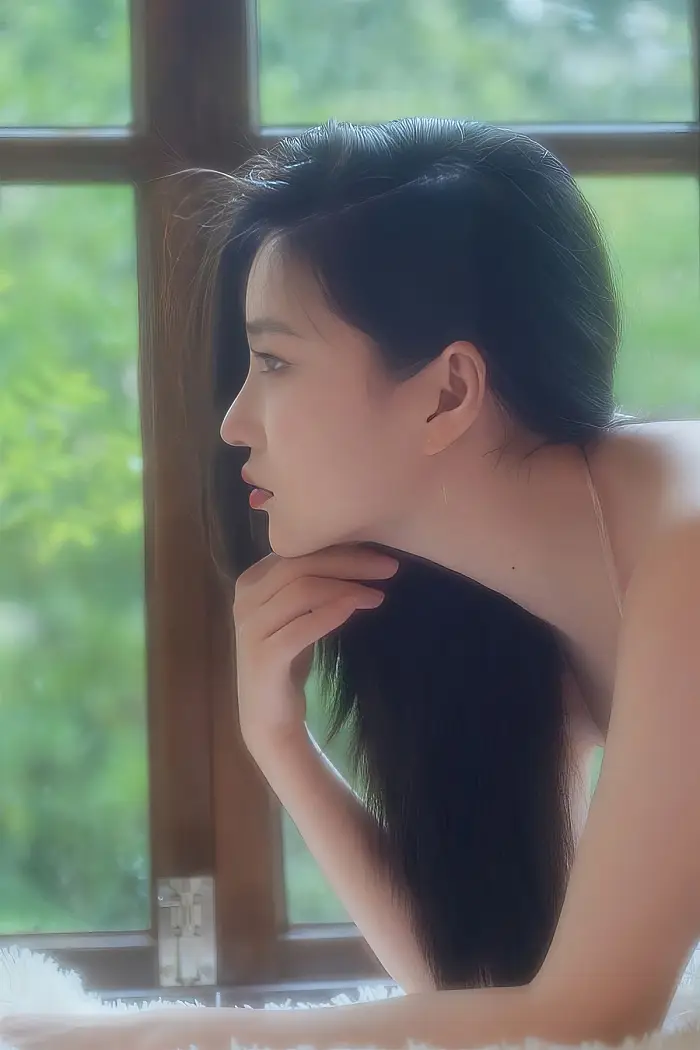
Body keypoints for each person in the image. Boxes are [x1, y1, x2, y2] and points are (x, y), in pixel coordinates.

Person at [3, 116, 700, 1050]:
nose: (234, 422)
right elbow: (490, 989)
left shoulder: (687, 552)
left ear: (448, 393)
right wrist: (279, 742)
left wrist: (120, 1034)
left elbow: (594, 1019)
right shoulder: (515, 602)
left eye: (275, 361)